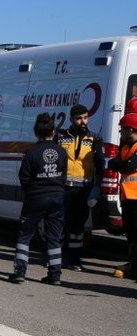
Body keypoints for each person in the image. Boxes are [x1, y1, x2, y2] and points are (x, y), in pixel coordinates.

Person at [8, 113, 68, 285]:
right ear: (53, 131)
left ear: (36, 132)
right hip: (57, 197)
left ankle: (20, 272)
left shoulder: (31, 152)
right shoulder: (61, 151)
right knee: (54, 237)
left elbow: (24, 177)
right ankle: (55, 275)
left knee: (25, 234)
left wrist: (32, 192)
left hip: (36, 197)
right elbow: (63, 174)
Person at [57, 104, 103, 271]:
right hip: (63, 188)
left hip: (83, 189)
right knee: (59, 223)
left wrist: (96, 189)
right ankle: (57, 258)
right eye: (79, 118)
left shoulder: (94, 139)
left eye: (85, 117)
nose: (83, 121)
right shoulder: (61, 137)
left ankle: (74, 259)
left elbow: (100, 166)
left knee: (77, 227)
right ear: (71, 119)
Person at [106, 113, 137, 283]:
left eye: (122, 129)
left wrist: (122, 165)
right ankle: (133, 265)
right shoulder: (125, 148)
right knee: (131, 233)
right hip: (127, 196)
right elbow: (113, 163)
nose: (120, 133)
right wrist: (122, 165)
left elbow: (129, 165)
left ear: (130, 129)